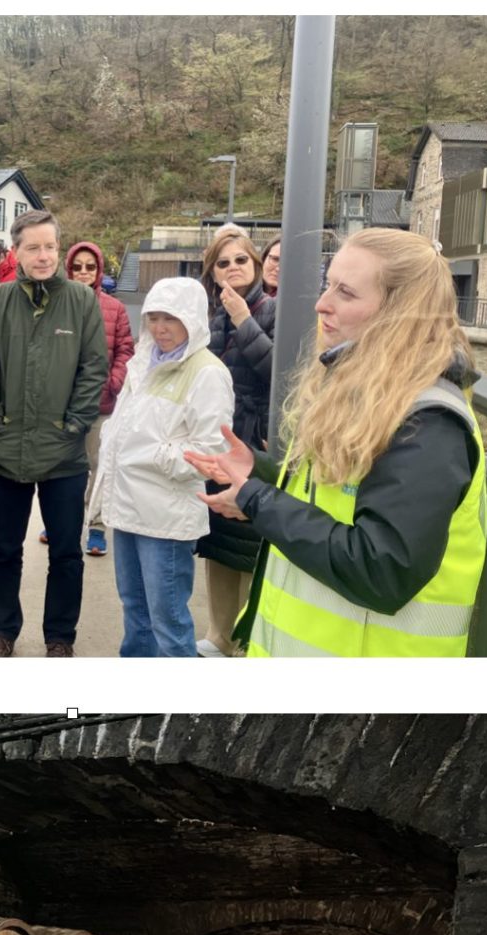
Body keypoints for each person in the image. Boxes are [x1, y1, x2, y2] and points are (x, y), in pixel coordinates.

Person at [186, 228, 487, 658]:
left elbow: (382, 569)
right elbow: (331, 498)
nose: (321, 303)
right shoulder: (369, 392)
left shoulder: (428, 423)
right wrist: (260, 473)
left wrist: (257, 501)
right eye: (328, 285)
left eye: (345, 293)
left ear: (401, 311)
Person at [0, 209, 109, 658]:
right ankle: (2, 630)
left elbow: (93, 370)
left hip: (63, 452)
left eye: (50, 246)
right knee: (4, 548)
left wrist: (73, 425)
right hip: (7, 450)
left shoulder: (82, 301)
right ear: (17, 252)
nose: (44, 255)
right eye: (34, 247)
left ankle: (60, 636)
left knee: (66, 552)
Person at [86, 277, 234, 656]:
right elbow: (122, 430)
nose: (160, 327)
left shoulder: (207, 372)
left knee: (167, 620)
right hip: (129, 509)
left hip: (166, 520)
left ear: (194, 319)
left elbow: (209, 450)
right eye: (153, 317)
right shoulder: (143, 361)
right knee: (135, 612)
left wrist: (148, 455)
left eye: (171, 318)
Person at [192, 225, 277, 656]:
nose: (232, 268)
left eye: (241, 260)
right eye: (222, 263)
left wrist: (244, 320)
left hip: (255, 440)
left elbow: (277, 375)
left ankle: (245, 642)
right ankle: (217, 634)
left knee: (250, 541)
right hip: (219, 440)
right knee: (219, 540)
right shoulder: (212, 318)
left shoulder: (272, 309)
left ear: (255, 264)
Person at [64, 239, 135, 558]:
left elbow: (125, 351)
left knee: (99, 466)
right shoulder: (57, 305)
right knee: (66, 467)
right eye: (77, 267)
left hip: (101, 405)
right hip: (63, 404)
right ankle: (63, 521)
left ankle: (96, 526)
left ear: (98, 270)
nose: (82, 272)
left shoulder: (115, 308)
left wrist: (113, 383)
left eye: (89, 267)